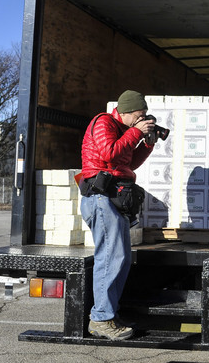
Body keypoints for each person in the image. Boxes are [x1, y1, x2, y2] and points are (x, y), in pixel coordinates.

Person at [79, 90, 155, 340]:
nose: (141, 119)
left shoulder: (123, 129)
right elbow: (108, 154)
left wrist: (148, 143)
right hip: (101, 197)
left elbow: (128, 163)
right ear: (125, 112)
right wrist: (135, 132)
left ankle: (107, 314)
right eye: (139, 115)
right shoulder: (103, 123)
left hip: (114, 199)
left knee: (119, 258)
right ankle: (101, 318)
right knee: (110, 257)